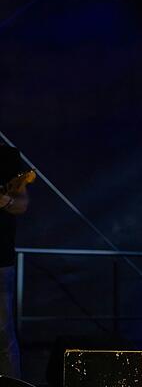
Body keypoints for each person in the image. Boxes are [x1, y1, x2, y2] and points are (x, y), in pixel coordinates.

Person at [0, 144, 29, 378]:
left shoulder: (7, 155)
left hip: (0, 260)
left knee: (3, 334)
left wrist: (6, 202)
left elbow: (21, 203)